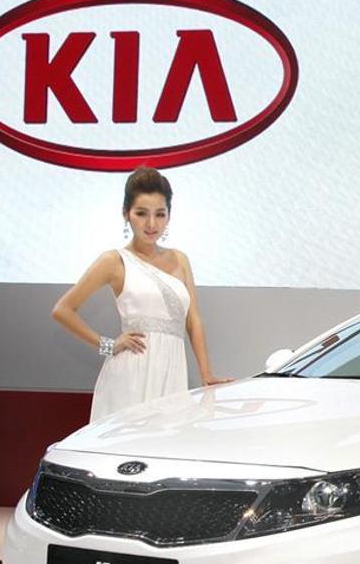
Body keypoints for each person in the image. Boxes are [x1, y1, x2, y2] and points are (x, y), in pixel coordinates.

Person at [52, 166, 231, 422]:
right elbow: (63, 310)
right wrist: (109, 345)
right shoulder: (114, 261)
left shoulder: (180, 259)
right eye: (141, 213)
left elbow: (193, 320)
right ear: (126, 213)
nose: (151, 224)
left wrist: (206, 374)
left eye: (160, 214)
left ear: (169, 216)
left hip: (171, 372)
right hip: (131, 375)